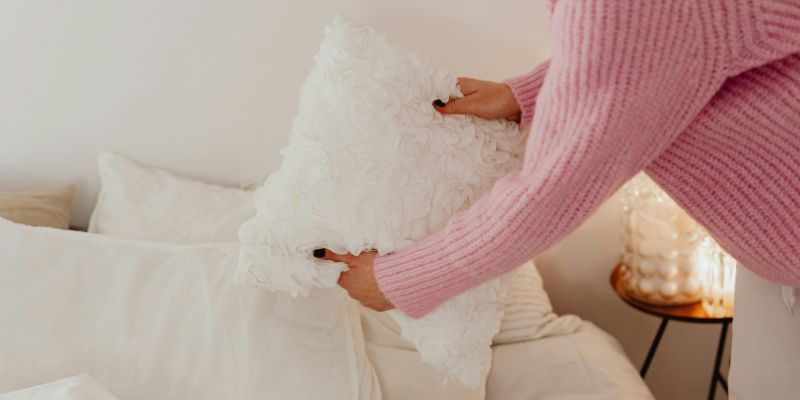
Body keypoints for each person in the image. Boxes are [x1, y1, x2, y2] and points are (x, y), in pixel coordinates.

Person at [318, 1, 800, 397]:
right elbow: (659, 44)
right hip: (773, 273)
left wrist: (399, 280)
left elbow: (551, 190)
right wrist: (527, 94)